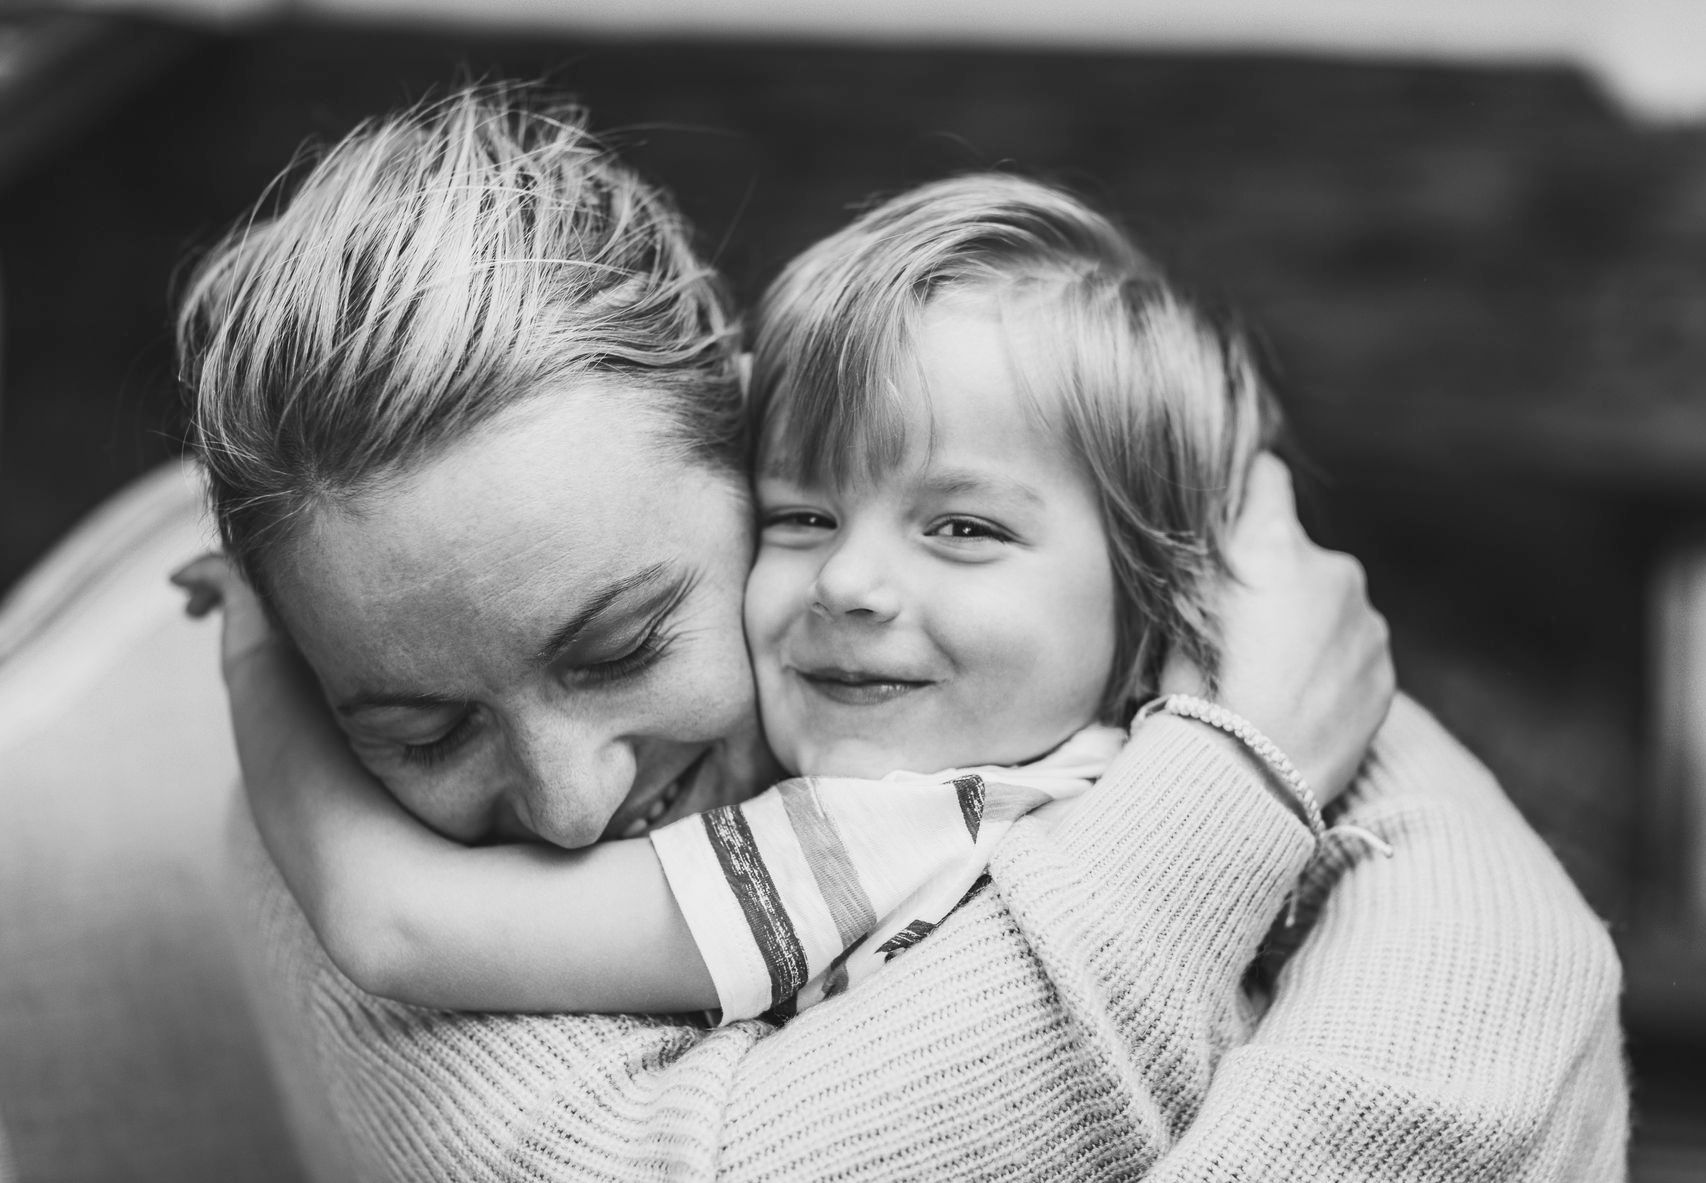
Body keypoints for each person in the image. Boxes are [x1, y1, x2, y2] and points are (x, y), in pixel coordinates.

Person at [175, 85, 1626, 1180]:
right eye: (416, 728)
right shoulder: (331, 819)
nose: (566, 809)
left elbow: (1511, 981)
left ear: (755, 432)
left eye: (617, 645)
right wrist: (1225, 795)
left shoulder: (1007, 701)